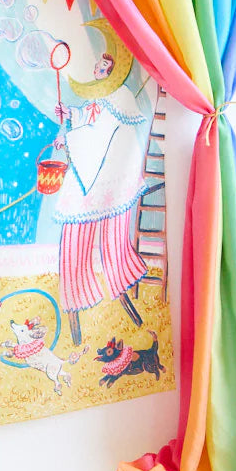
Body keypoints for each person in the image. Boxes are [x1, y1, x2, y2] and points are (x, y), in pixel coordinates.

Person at [51, 50, 152, 346]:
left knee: (111, 237)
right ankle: (78, 297)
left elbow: (101, 132)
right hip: (93, 174)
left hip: (110, 177)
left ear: (113, 72)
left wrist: (71, 136)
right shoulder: (101, 96)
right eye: (98, 64)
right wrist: (71, 116)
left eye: (105, 66)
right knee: (75, 235)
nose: (98, 68)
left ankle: (118, 286)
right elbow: (90, 118)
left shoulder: (120, 96)